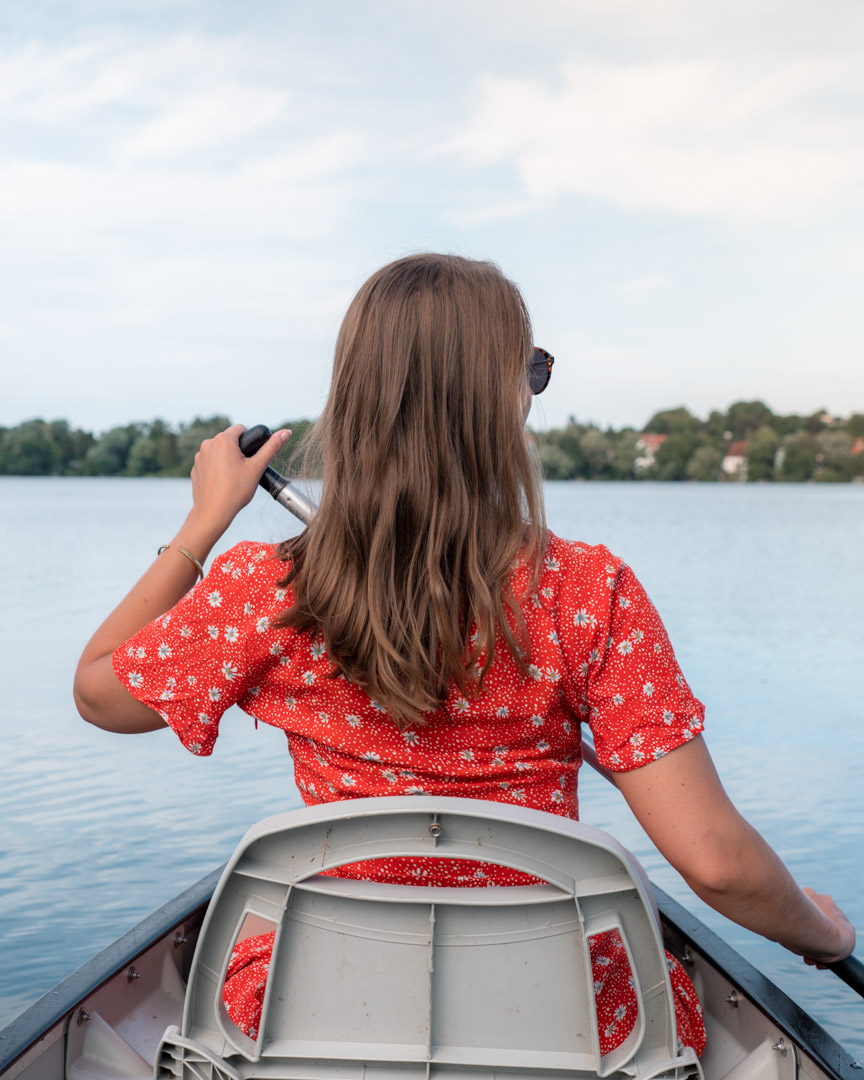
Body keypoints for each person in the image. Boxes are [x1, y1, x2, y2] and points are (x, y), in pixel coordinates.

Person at [74, 253, 854, 1057]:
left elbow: (98, 692)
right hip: (565, 1024)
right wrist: (822, 934)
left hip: (314, 1014)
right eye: (533, 369)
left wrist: (207, 519)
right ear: (503, 401)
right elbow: (718, 864)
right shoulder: (589, 594)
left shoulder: (268, 591)